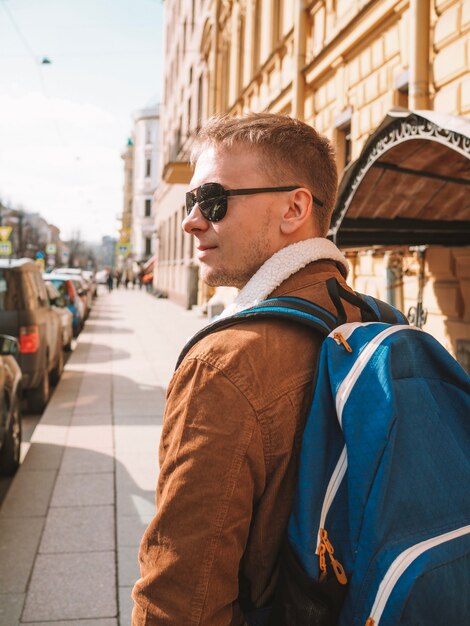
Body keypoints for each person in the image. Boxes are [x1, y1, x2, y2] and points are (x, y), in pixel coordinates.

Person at [132, 113, 361, 625]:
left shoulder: (223, 364)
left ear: (294, 208)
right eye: (192, 202)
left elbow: (180, 600)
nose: (193, 219)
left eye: (213, 200)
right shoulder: (368, 317)